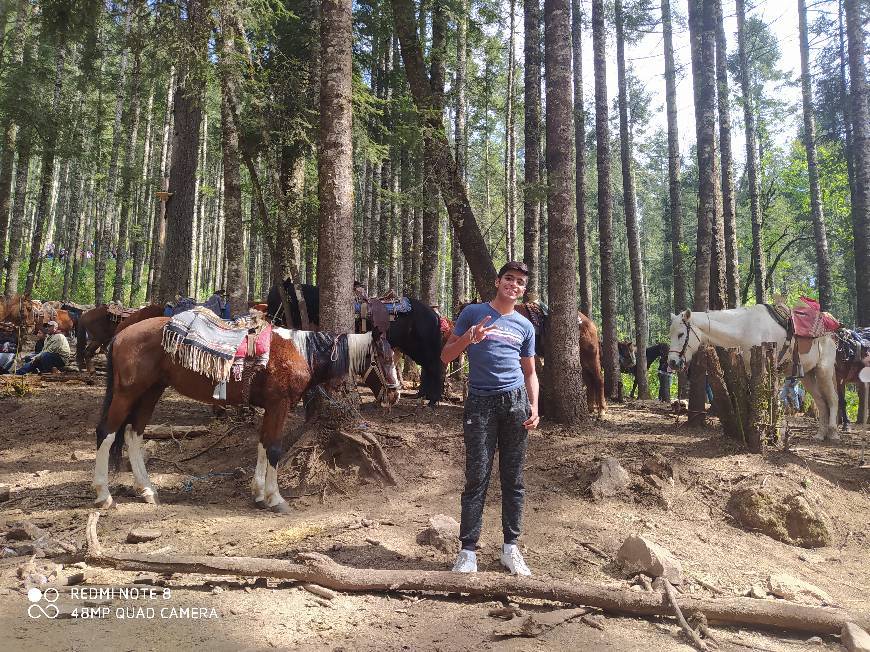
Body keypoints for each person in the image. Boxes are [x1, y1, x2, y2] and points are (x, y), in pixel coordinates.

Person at [440, 261, 539, 576]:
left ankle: (511, 548)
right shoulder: (473, 313)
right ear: (498, 282)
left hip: (516, 404)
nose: (513, 285)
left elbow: (530, 371)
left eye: (520, 282)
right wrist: (469, 337)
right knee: (477, 477)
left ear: (524, 290)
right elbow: (445, 356)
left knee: (514, 480)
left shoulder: (525, 327)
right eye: (509, 279)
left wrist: (534, 407)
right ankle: (468, 552)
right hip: (480, 403)